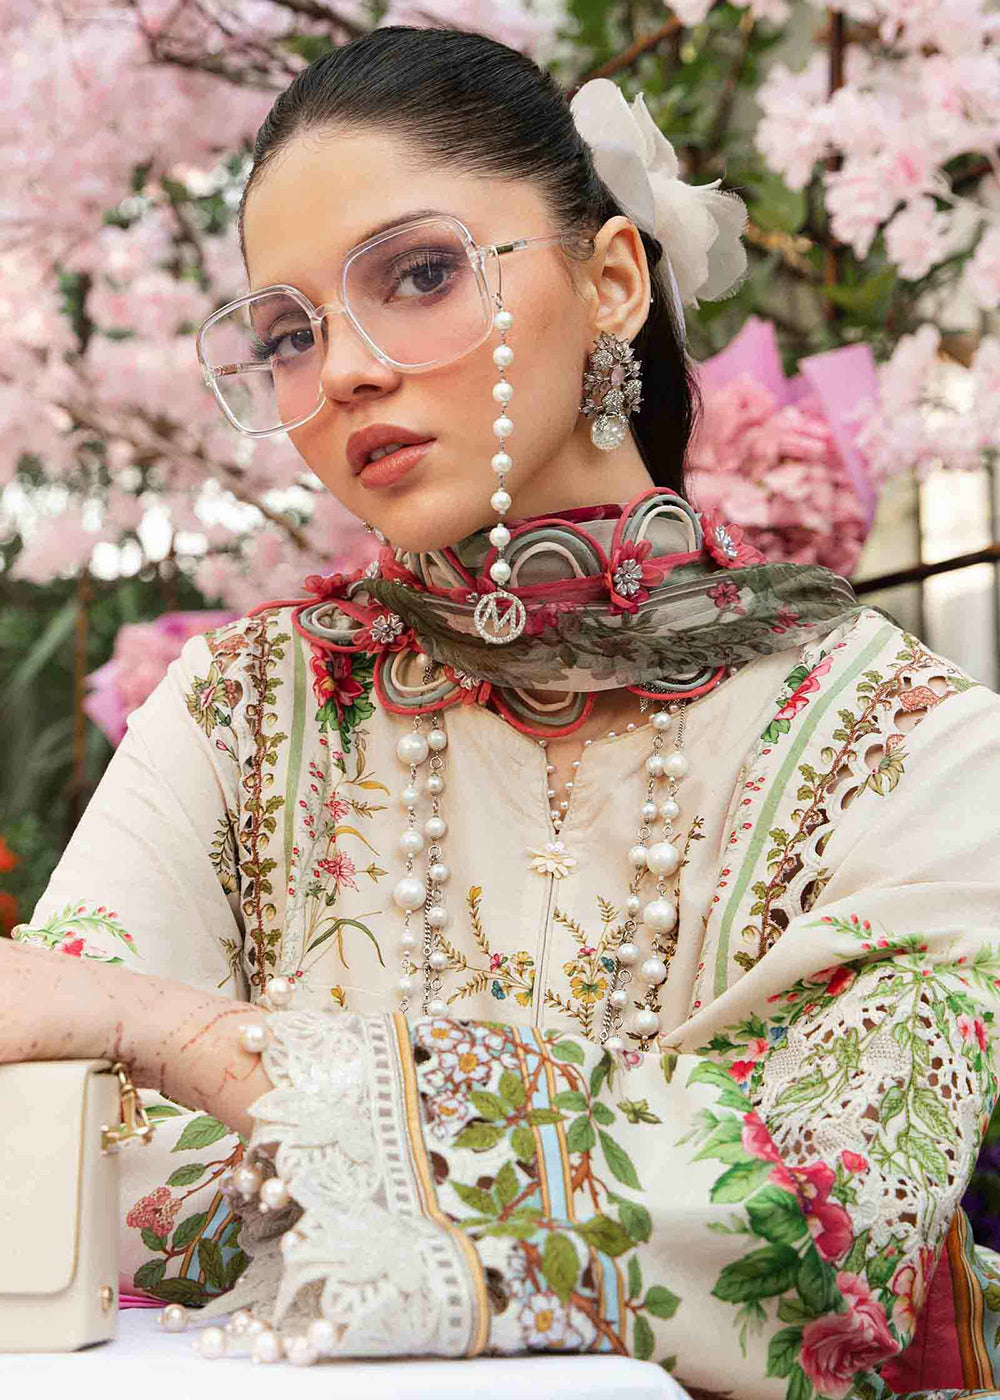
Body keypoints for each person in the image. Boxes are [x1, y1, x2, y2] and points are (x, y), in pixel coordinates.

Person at [6, 23, 1000, 1395]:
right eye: (288, 335)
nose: (342, 372)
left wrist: (187, 1043)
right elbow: (66, 1144)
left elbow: (816, 1213)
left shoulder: (907, 742)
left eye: (418, 274)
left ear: (610, 279)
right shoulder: (241, 713)